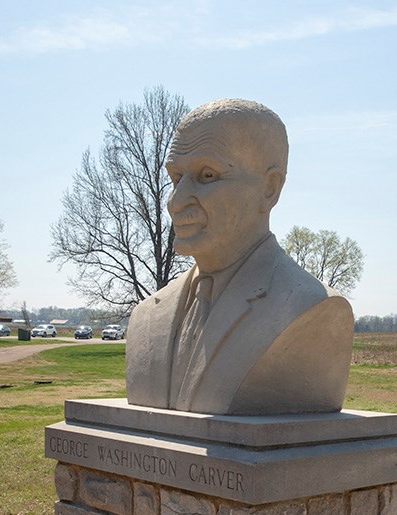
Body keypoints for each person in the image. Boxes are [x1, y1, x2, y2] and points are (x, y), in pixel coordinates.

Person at [126, 99, 354, 415]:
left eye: (207, 175)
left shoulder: (311, 309)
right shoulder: (146, 318)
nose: (175, 202)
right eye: (176, 178)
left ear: (270, 189)